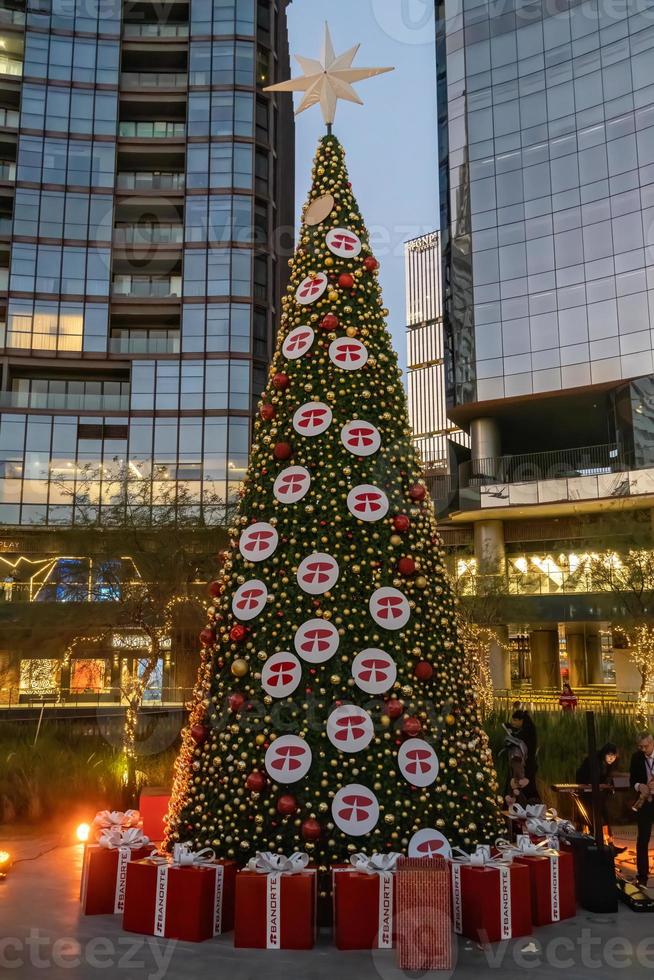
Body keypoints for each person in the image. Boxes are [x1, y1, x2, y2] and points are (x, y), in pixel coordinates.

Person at [576, 742, 625, 853]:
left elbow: (605, 776)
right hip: (587, 791)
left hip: (599, 792)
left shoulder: (608, 763)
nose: (611, 759)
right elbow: (588, 778)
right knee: (592, 818)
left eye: (614, 756)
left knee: (605, 816)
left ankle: (610, 844)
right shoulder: (594, 760)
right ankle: (596, 843)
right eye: (609, 756)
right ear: (604, 754)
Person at [630, 731, 654, 886]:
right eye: (640, 747)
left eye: (645, 746)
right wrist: (640, 787)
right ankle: (642, 874)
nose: (643, 750)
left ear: (652, 743)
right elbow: (632, 779)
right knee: (643, 838)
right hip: (644, 802)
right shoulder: (636, 757)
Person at [503, 709, 540, 806]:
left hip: (526, 764)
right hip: (523, 764)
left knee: (527, 789)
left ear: (521, 720)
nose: (513, 722)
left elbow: (519, 739)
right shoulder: (526, 728)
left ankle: (532, 807)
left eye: (515, 720)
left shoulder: (528, 729)